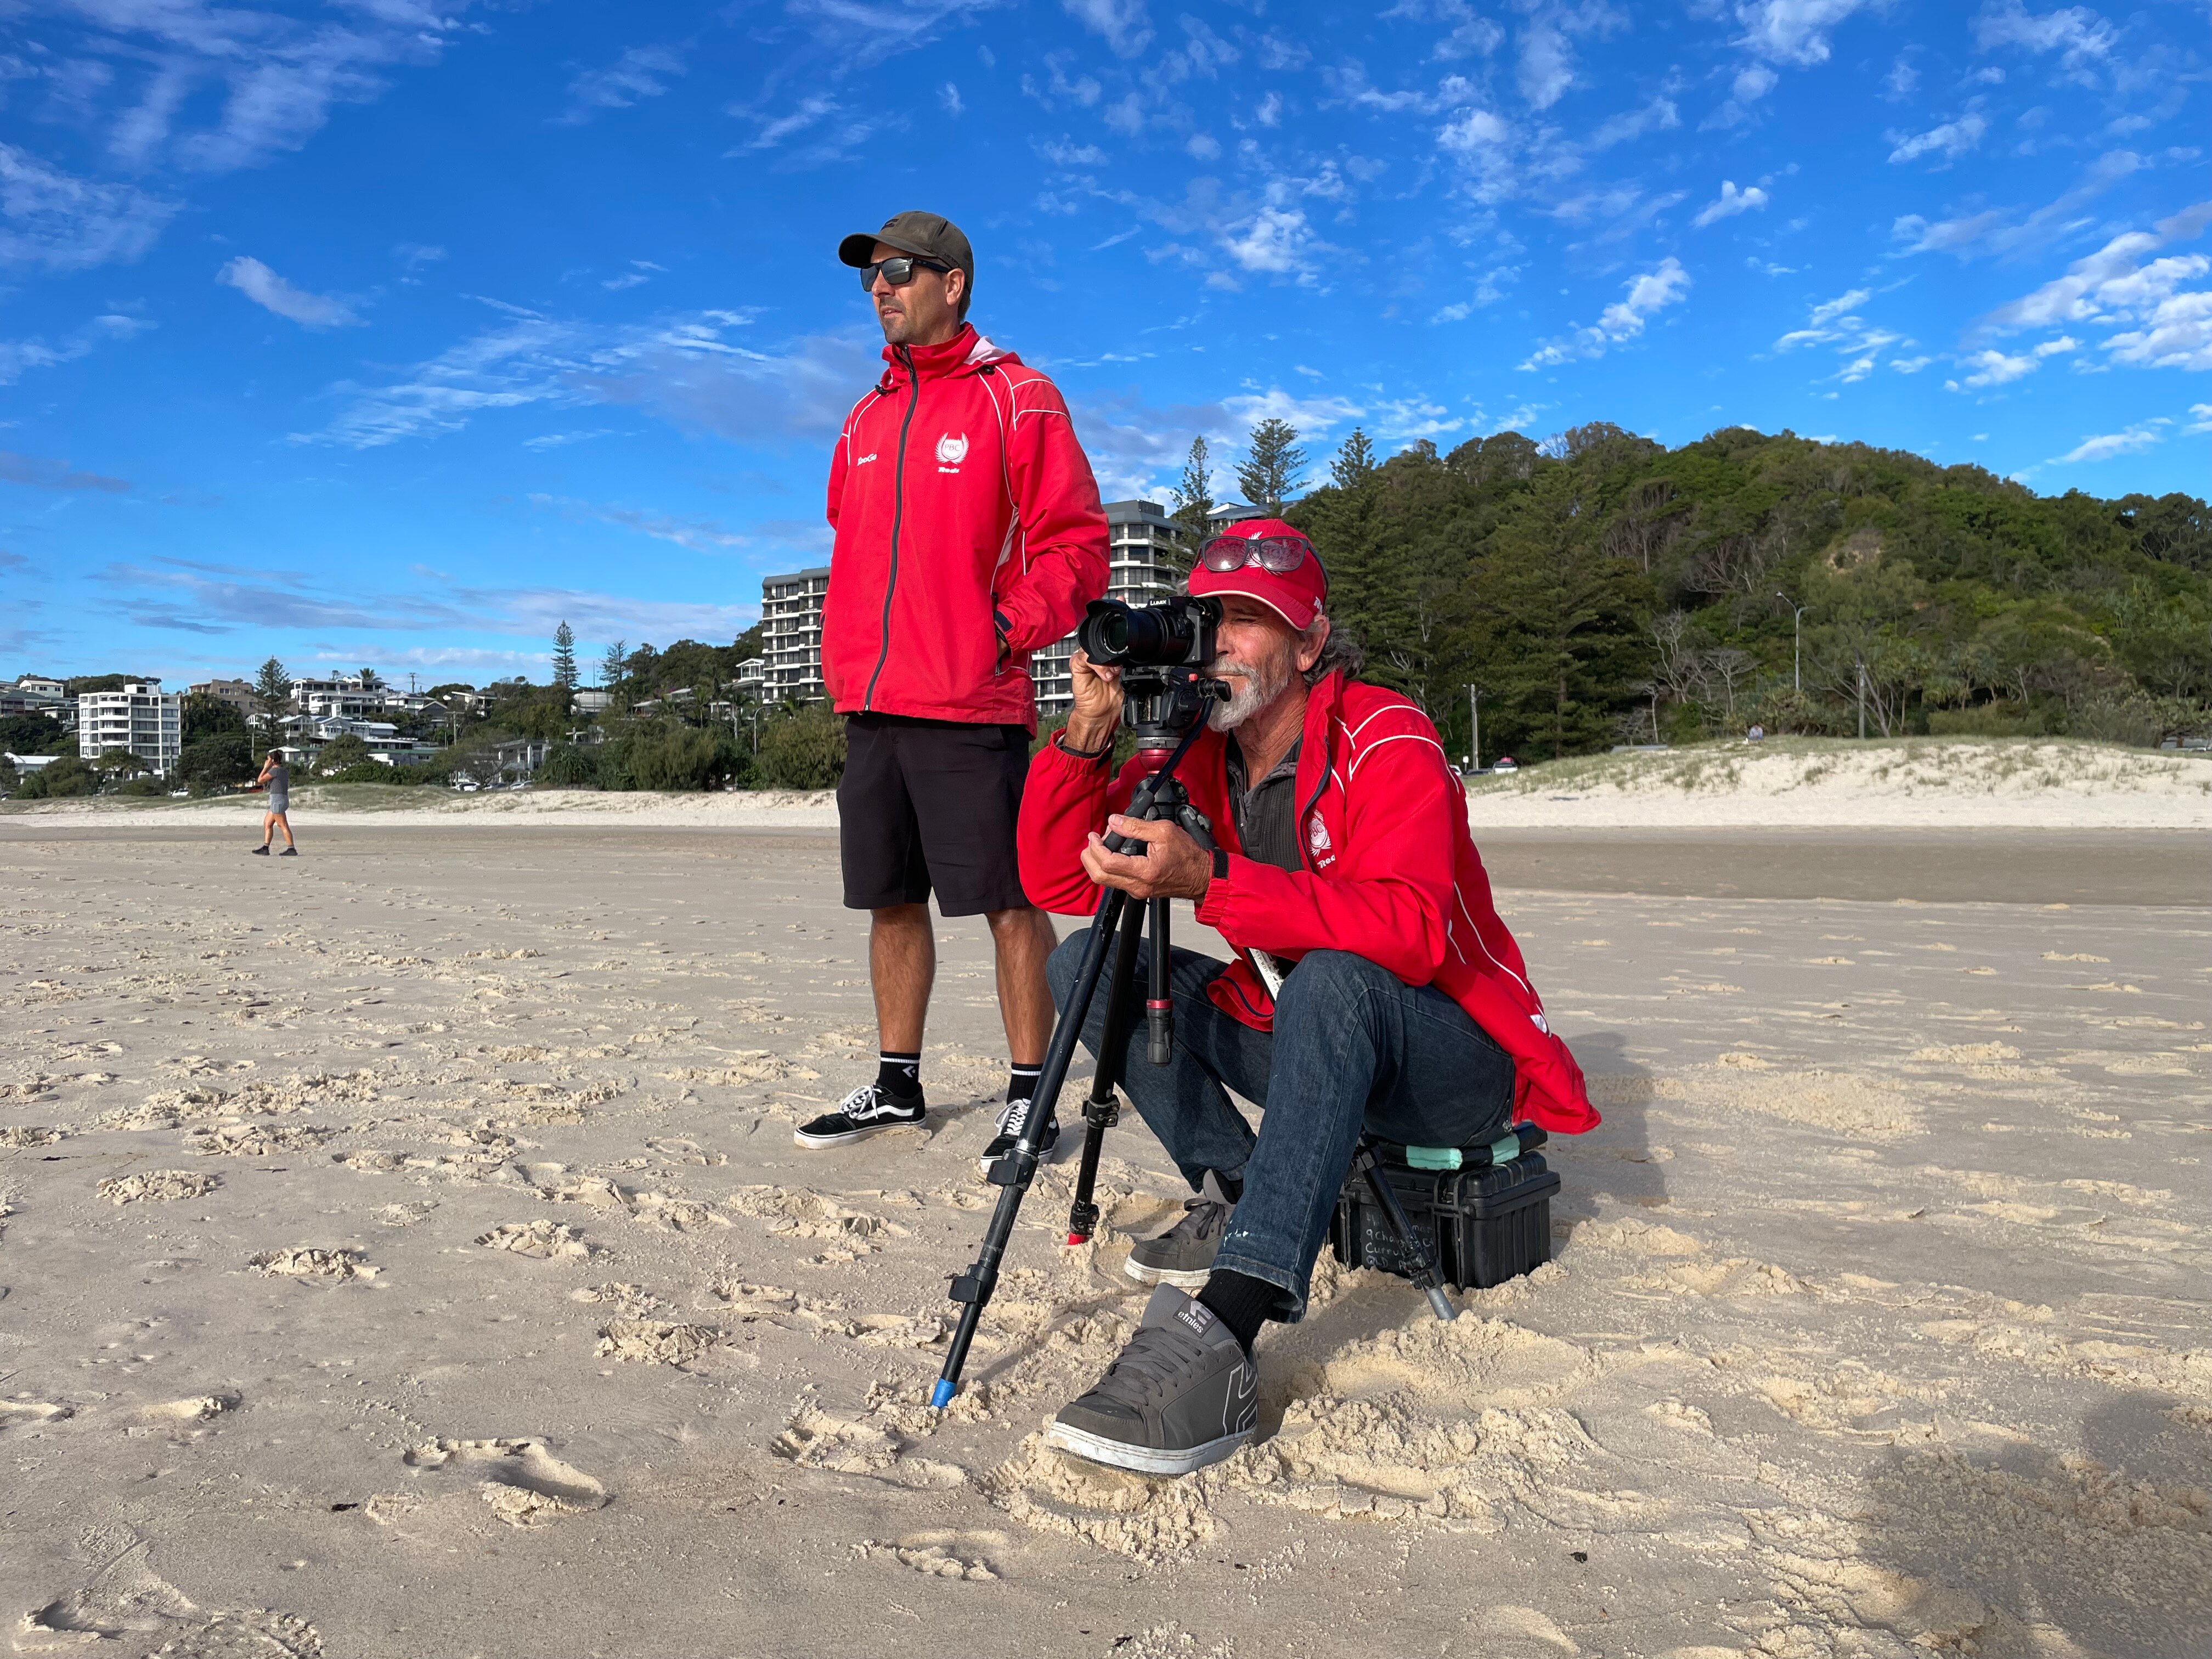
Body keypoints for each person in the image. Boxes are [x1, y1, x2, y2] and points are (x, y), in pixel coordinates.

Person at [1015, 518, 1599, 1475]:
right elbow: (1058, 881)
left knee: (1332, 974)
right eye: (1209, 618)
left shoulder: (1386, 731)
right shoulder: (1199, 752)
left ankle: (1233, 1320)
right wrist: (1085, 735)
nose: (1220, 642)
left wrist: (1208, 879)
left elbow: (1410, 931)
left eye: (1249, 621)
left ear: (1309, 642)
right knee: (1084, 960)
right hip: (1306, 1030)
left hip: (1448, 1055)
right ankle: (1242, 1188)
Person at [794, 211, 1109, 1163]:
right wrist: (844, 660)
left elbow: (1076, 544)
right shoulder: (864, 416)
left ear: (952, 282)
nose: (880, 290)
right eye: (868, 278)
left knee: (1009, 901)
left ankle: (1030, 1092)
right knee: (891, 899)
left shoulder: (1020, 397)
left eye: (896, 272)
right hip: (874, 703)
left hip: (970, 702)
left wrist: (1002, 631)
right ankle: (897, 1083)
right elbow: (852, 541)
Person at [252, 751, 296, 855]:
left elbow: (260, 780)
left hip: (278, 800)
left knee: (283, 825)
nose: (266, 761)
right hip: (281, 799)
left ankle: (291, 849)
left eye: (268, 759)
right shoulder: (284, 770)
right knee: (268, 823)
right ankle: (265, 848)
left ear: (272, 760)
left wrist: (265, 767)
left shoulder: (274, 771)